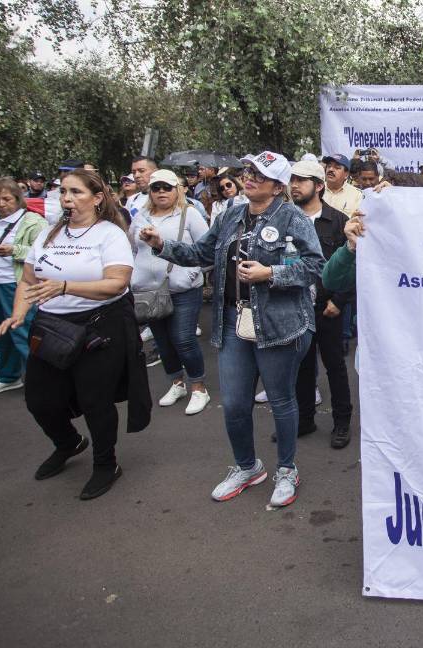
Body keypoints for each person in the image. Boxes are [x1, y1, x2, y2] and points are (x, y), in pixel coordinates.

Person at [138, 151, 323, 507]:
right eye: (248, 171)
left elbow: (315, 267)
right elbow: (200, 254)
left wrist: (271, 273)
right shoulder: (230, 215)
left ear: (278, 187)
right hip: (233, 322)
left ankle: (287, 470)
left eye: (259, 174)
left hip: (278, 325)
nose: (249, 177)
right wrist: (161, 245)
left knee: (282, 401)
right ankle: (247, 467)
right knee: (235, 404)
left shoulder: (293, 218)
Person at [0, 169, 150, 499]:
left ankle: (106, 464)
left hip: (99, 326)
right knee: (39, 399)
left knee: (95, 401)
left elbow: (117, 283)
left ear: (97, 198)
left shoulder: (109, 234)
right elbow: (28, 280)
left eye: (76, 192)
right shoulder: (49, 233)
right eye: (63, 191)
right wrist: (18, 314)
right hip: (52, 327)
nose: (67, 198)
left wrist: (66, 286)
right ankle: (68, 442)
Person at [131, 169, 211, 415]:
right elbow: (133, 249)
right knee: (163, 342)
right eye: (156, 188)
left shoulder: (190, 214)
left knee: (184, 339)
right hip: (150, 291)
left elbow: (207, 250)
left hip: (182, 289)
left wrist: (190, 274)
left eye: (167, 187)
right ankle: (177, 383)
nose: (161, 192)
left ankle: (199, 387)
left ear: (177, 189)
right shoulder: (141, 216)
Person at [287, 161, 354, 449]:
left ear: (318, 186)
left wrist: (338, 301)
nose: (294, 185)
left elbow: (352, 264)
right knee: (301, 367)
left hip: (327, 308)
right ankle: (304, 420)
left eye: (301, 180)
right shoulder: (284, 220)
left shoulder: (338, 221)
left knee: (335, 366)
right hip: (294, 308)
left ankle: (342, 423)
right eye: (292, 180)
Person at [0, 178, 47, 395]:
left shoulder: (33, 221)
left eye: (6, 199)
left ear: (18, 198)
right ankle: (8, 376)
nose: (1, 203)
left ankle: (41, 380)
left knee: (23, 332)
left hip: (17, 283)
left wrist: (14, 250)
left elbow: (45, 253)